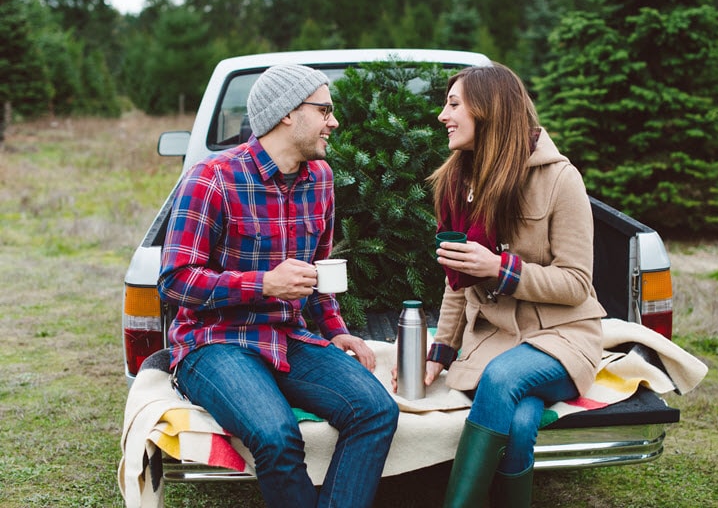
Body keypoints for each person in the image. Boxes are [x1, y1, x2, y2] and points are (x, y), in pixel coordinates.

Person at [158, 64, 399, 508]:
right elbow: (175, 282)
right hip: (214, 343)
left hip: (288, 337)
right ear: (287, 113)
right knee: (276, 435)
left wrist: (334, 328)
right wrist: (264, 284)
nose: (334, 121)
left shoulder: (320, 180)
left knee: (376, 410)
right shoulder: (212, 178)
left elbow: (320, 269)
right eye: (324, 109)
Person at [413, 63, 606, 507]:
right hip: (495, 340)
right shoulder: (457, 181)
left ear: (489, 110)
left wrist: (501, 270)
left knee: (501, 380)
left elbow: (577, 283)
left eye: (454, 104)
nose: (443, 115)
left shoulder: (561, 179)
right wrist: (440, 351)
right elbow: (456, 282)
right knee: (519, 422)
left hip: (564, 337)